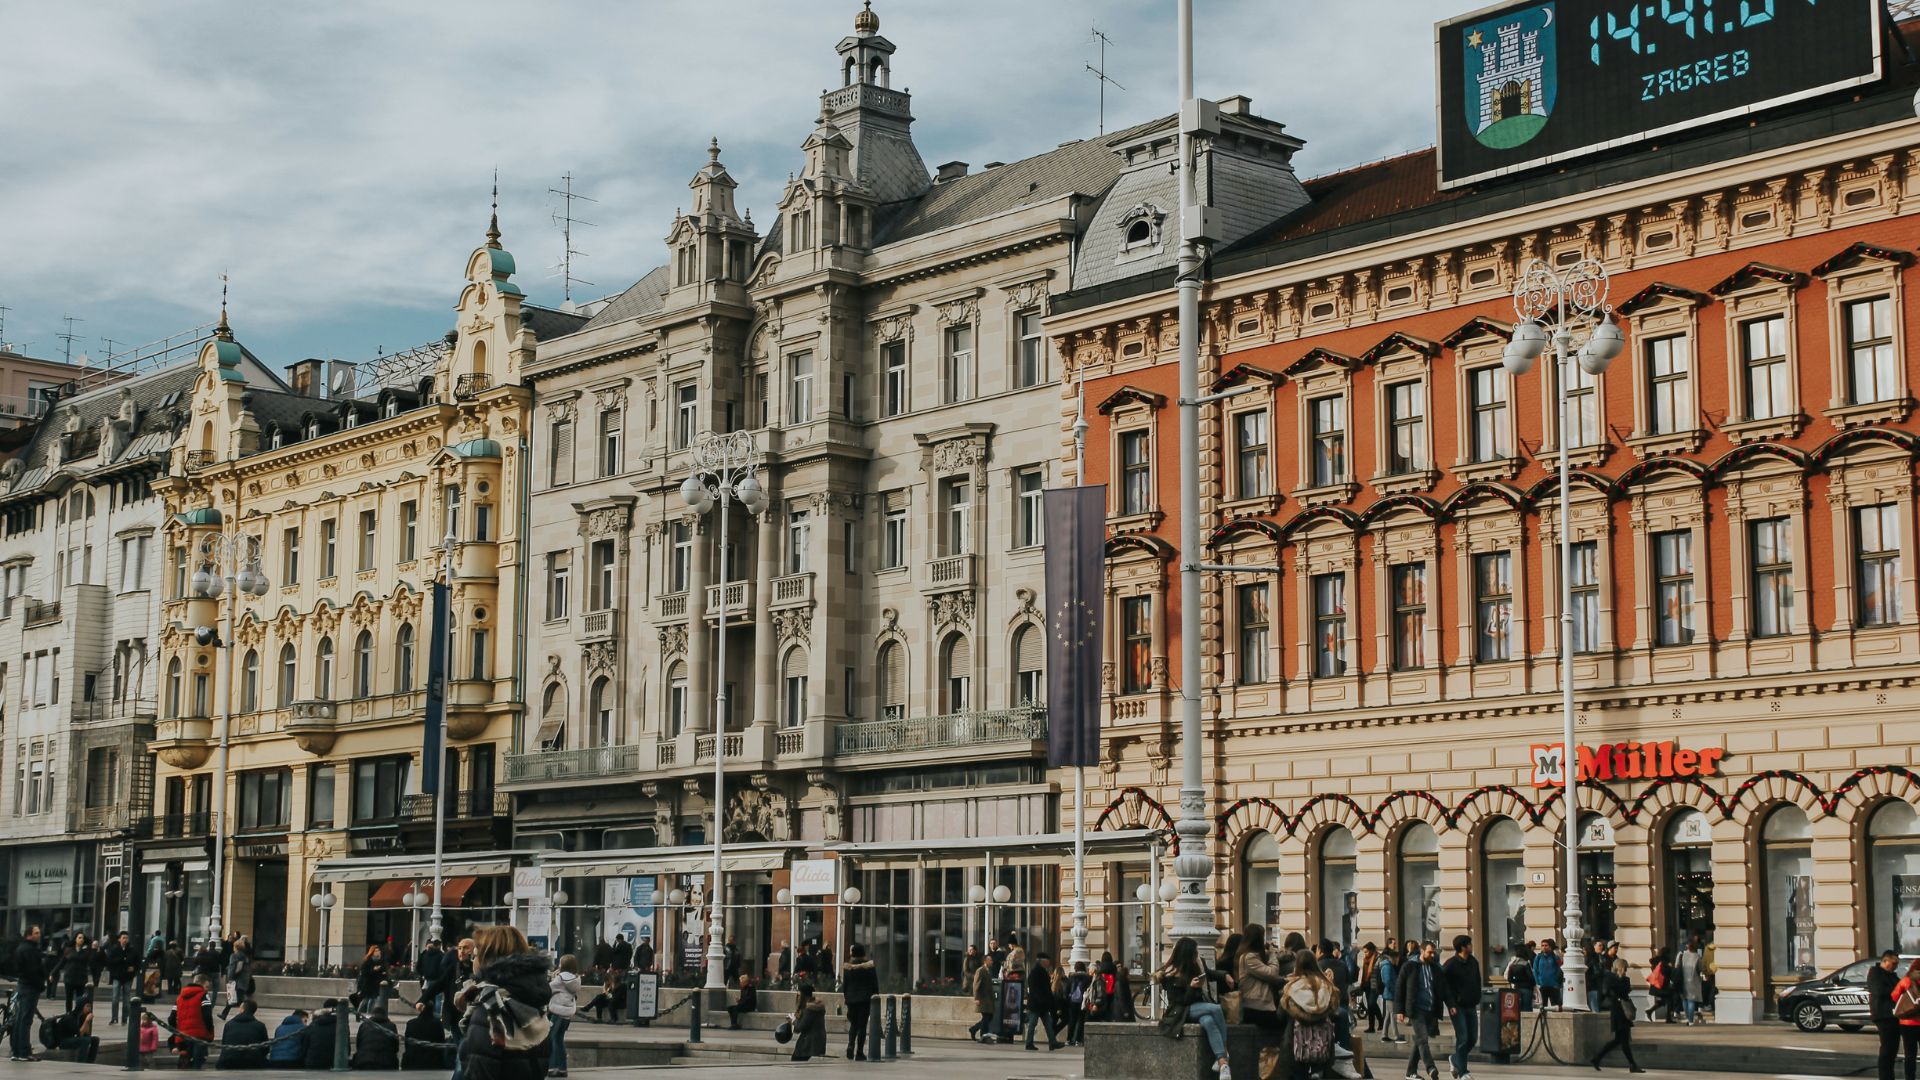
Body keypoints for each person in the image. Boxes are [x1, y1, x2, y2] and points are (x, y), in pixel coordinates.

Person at [455, 926, 553, 1080]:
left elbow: (480, 1071)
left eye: (476, 955)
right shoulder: (534, 1007)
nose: (474, 960)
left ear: (487, 959)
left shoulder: (490, 1010)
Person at [1157, 938, 1231, 1079]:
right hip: (1180, 1011)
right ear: (1187, 954)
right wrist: (1191, 988)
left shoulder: (1195, 965)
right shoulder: (1170, 974)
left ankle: (1222, 1063)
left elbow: (1209, 973)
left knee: (1208, 1021)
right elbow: (1181, 1001)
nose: (1196, 954)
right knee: (1215, 1009)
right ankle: (1225, 1050)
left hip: (1197, 1006)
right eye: (1194, 952)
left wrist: (1225, 975)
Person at [1396, 940, 1445, 1080]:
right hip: (1416, 1009)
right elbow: (1400, 988)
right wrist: (1399, 1010)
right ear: (1422, 951)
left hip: (1430, 1008)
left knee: (1419, 1041)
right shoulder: (1410, 966)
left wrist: (1450, 1004)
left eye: (1433, 952)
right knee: (1423, 1039)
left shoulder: (1434, 967)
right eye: (1430, 952)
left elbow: (1441, 987)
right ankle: (1431, 1068)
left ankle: (1410, 1071)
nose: (1432, 955)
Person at [1589, 957, 1645, 1073]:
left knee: (1619, 1040)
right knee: (1622, 1040)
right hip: (1619, 1011)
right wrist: (1622, 983)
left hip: (1619, 1010)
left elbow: (1618, 991)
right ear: (1621, 968)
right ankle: (1632, 1065)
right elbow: (1622, 991)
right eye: (1625, 969)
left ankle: (1597, 1058)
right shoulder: (1613, 979)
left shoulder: (1614, 979)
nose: (1626, 971)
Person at [1441, 935, 1482, 1080]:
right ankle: (1463, 1071)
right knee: (1463, 1037)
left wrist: (1477, 997)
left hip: (1471, 1004)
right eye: (1469, 944)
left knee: (1472, 1038)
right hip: (1457, 1007)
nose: (1472, 946)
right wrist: (1451, 1003)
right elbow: (1444, 986)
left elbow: (1477, 981)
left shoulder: (1473, 962)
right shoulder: (1451, 964)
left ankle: (1455, 1058)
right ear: (1463, 947)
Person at [11, 924, 46, 1062]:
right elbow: (32, 970)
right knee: (25, 1020)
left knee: (20, 1020)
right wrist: (40, 985)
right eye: (36, 933)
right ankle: (24, 1052)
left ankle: (17, 1050)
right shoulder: (29, 950)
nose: (39, 935)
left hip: (23, 986)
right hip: (30, 987)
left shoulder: (22, 948)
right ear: (29, 935)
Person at [545, 954, 580, 1078]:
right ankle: (562, 1068)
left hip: (557, 1011)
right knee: (559, 1040)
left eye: (560, 963)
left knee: (552, 1039)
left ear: (563, 965)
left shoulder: (560, 978)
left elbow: (549, 988)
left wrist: (554, 976)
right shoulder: (575, 978)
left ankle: (553, 1067)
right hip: (567, 1014)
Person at [841, 943, 878, 1059]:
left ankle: (850, 1045)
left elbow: (845, 986)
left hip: (851, 1000)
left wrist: (846, 999)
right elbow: (874, 985)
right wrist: (876, 998)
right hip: (865, 1000)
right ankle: (859, 1052)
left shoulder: (848, 968)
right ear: (863, 953)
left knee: (854, 1025)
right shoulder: (869, 967)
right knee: (862, 1026)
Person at [1871, 950, 1902, 1080]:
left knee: (1892, 1050)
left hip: (1894, 1016)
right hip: (1883, 1015)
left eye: (1897, 964)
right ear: (1885, 961)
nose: (1895, 966)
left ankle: (1889, 1077)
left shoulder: (1892, 975)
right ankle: (1885, 1077)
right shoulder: (1876, 973)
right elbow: (1879, 991)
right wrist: (1897, 990)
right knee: (1887, 1050)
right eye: (1893, 963)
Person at [1023, 952, 1062, 1052]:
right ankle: (1029, 1043)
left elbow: (1047, 990)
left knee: (1048, 1024)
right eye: (1047, 962)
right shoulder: (1035, 973)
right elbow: (1035, 990)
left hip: (1042, 1004)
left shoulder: (1042, 972)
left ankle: (1053, 1042)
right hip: (1036, 1004)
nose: (1048, 964)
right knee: (1033, 1023)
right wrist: (1042, 1000)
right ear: (1042, 961)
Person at [216, 999, 269, 1070]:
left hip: (228, 1061)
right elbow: (265, 1048)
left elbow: (224, 1044)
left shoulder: (229, 1025)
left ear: (242, 1010)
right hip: (253, 1062)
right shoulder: (260, 1026)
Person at [175, 975, 215, 1070]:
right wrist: (210, 1031)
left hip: (183, 1035)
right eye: (206, 986)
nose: (207, 989)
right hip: (199, 1035)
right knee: (197, 1064)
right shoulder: (204, 996)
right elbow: (207, 1016)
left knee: (185, 1063)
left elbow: (172, 1017)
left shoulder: (180, 996)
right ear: (200, 983)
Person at [403, 1000, 450, 1071]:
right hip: (433, 1061)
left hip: (413, 1061)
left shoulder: (411, 1023)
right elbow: (441, 1043)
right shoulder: (437, 1023)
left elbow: (407, 1044)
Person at [351, 1005, 401, 1070]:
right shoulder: (391, 1026)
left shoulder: (364, 1025)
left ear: (372, 1015)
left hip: (363, 1061)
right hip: (387, 1063)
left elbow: (358, 1045)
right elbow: (396, 1047)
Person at [105, 931, 138, 1025]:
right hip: (117, 976)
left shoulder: (132, 950)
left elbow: (137, 962)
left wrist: (134, 969)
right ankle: (114, 1018)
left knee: (126, 999)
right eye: (123, 938)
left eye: (126, 938)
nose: (125, 940)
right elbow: (109, 961)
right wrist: (121, 960)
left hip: (128, 977)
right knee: (115, 998)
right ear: (119, 939)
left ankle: (124, 1018)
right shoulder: (114, 949)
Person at [789, 982, 828, 1062]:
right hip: (815, 1039)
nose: (798, 997)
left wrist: (792, 1020)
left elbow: (800, 1028)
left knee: (796, 1060)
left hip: (810, 1041)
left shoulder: (810, 1009)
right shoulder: (812, 1006)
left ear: (804, 995)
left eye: (799, 994)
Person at [1896, 958, 1920, 1080]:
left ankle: (1909, 1077)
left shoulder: (1905, 980)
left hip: (1907, 1022)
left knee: (1910, 1054)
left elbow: (1894, 996)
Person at [1675, 936, 1706, 1025]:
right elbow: (1701, 968)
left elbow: (1676, 966)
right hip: (1693, 980)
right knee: (1691, 1000)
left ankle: (1688, 1018)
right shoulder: (1697, 956)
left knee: (1684, 1000)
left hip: (1682, 980)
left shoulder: (1681, 954)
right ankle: (1691, 1020)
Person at [221, 938, 253, 1020]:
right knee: (234, 997)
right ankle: (224, 1014)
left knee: (238, 999)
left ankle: (246, 1013)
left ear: (236, 947)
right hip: (244, 980)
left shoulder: (234, 955)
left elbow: (234, 968)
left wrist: (230, 977)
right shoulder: (245, 956)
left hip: (236, 981)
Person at [354, 944, 389, 1017]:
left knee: (372, 999)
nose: (378, 952)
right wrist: (373, 970)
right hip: (368, 983)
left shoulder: (381, 961)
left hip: (376, 983)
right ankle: (360, 1013)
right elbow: (364, 972)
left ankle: (368, 1014)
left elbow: (383, 970)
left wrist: (383, 972)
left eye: (379, 950)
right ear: (372, 952)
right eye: (376, 951)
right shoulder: (368, 961)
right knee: (366, 999)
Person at [1064, 960, 1093, 1047]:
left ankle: (1069, 1039)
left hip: (1072, 1002)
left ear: (1075, 968)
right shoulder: (1088, 977)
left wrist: (1068, 998)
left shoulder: (1072, 977)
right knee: (1081, 1020)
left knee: (1072, 1020)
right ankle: (1078, 1040)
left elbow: (1067, 990)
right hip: (1083, 1001)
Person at [303, 1002, 340, 1071]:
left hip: (312, 1062)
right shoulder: (341, 1026)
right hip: (333, 1063)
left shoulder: (312, 1026)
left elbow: (305, 1046)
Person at [1377, 940, 1401, 1044]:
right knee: (1393, 1014)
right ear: (1394, 958)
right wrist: (1394, 991)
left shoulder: (1387, 965)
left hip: (1388, 993)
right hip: (1390, 993)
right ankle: (1396, 1036)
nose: (1398, 961)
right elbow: (1387, 980)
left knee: (1387, 1015)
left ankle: (1384, 1035)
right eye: (1397, 959)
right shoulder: (1387, 966)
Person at [969, 957, 996, 1041]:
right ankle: (983, 1036)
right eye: (990, 960)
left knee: (989, 1017)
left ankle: (974, 1029)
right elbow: (976, 985)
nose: (992, 961)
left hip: (988, 999)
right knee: (986, 1017)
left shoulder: (988, 971)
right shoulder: (980, 970)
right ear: (985, 961)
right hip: (983, 998)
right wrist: (976, 998)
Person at [1533, 939, 1564, 1011]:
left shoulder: (1555, 957)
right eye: (1542, 945)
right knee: (1542, 1006)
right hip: (1542, 985)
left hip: (1553, 985)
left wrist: (1557, 981)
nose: (1544, 947)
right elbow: (1535, 970)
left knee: (1555, 1006)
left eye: (1546, 945)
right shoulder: (1538, 957)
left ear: (1550, 947)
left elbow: (1560, 969)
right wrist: (1538, 982)